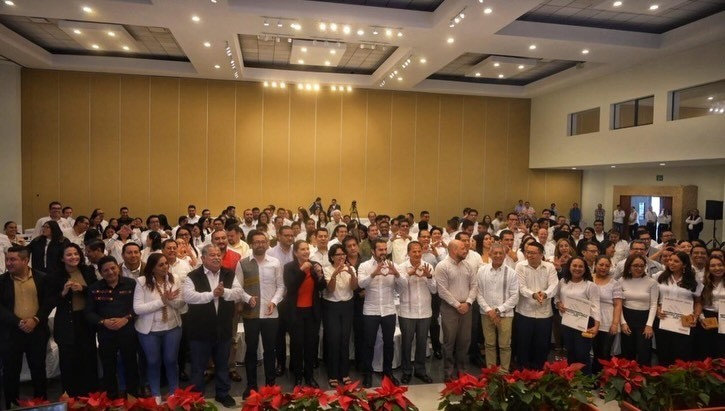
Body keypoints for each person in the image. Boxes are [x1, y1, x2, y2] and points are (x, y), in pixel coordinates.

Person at [181, 244, 243, 408]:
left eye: (218, 255)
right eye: (212, 255)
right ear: (203, 258)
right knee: (198, 368)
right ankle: (196, 398)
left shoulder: (228, 274)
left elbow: (238, 292)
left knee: (222, 365)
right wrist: (212, 295)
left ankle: (223, 394)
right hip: (200, 330)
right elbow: (188, 296)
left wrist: (224, 293)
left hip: (223, 329)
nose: (216, 258)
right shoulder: (193, 275)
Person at [0, 246, 53, 408]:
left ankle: (41, 405)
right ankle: (11, 406)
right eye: (7, 259)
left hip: (37, 332)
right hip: (11, 333)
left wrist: (35, 320)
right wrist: (18, 322)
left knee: (38, 370)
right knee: (10, 372)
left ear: (25, 260)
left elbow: (48, 303)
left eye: (13, 259)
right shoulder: (2, 281)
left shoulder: (42, 278)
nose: (8, 263)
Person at [237, 230, 284, 398]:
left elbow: (281, 286)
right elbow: (237, 287)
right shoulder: (243, 263)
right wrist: (247, 298)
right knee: (251, 350)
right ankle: (251, 386)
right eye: (256, 242)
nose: (260, 244)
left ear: (267, 243)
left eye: (263, 241)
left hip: (271, 313)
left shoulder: (275, 263)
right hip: (251, 314)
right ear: (251, 244)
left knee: (270, 350)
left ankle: (271, 385)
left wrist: (274, 301)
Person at [86, 255, 140, 398]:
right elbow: (89, 312)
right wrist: (103, 322)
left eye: (113, 268)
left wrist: (126, 318)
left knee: (131, 364)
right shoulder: (94, 288)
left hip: (127, 331)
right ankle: (112, 398)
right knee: (108, 366)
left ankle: (132, 396)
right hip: (106, 333)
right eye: (106, 270)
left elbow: (138, 307)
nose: (110, 272)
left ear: (118, 268)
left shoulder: (131, 284)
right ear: (100, 272)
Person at [134, 253, 185, 402]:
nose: (165, 267)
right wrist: (162, 301)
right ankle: (155, 394)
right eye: (161, 265)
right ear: (152, 268)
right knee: (153, 362)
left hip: (172, 327)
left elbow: (182, 303)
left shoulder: (174, 279)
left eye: (166, 263)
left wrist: (171, 300)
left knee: (171, 360)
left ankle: (174, 391)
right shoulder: (142, 282)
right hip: (149, 330)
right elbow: (138, 309)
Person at [49, 243, 98, 397]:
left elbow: (97, 293)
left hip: (85, 320)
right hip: (66, 322)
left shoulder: (88, 270)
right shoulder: (55, 276)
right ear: (62, 258)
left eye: (76, 254)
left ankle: (92, 396)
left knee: (88, 357)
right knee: (69, 360)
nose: (73, 257)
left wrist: (83, 289)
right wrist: (63, 293)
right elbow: (50, 302)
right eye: (69, 255)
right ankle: (71, 396)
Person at [358, 238, 408, 387]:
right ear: (373, 251)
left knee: (389, 343)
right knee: (369, 343)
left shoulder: (393, 265)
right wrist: (374, 273)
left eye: (385, 249)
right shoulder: (364, 266)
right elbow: (360, 284)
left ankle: (388, 372)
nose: (383, 252)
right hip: (370, 310)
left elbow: (403, 287)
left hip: (388, 310)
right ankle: (367, 374)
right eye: (380, 249)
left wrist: (397, 274)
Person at [284, 240, 327, 388]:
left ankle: (309, 376)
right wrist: (302, 271)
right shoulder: (289, 267)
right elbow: (291, 287)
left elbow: (321, 287)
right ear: (295, 252)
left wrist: (320, 275)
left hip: (312, 311)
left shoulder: (315, 265)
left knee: (310, 345)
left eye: (307, 249)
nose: (306, 251)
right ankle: (298, 376)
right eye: (302, 249)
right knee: (297, 345)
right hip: (296, 311)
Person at [435, 239, 477, 381]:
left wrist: (468, 303)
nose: (466, 250)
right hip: (450, 308)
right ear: (454, 250)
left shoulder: (469, 266)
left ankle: (462, 372)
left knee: (464, 341)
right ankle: (448, 373)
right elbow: (442, 291)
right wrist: (457, 305)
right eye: (463, 248)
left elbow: (474, 286)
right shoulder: (442, 266)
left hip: (467, 307)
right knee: (449, 342)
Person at [653, 252, 702, 366]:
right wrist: (657, 310)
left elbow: (698, 301)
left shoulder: (693, 279)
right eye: (670, 260)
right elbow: (653, 298)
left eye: (676, 261)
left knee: (682, 354)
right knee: (664, 352)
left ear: (684, 264)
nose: (671, 263)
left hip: (684, 321)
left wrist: (695, 316)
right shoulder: (659, 276)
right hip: (664, 319)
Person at [515, 241, 558, 370]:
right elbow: (520, 287)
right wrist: (533, 295)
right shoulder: (520, 266)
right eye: (528, 252)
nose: (530, 255)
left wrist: (545, 294)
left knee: (541, 345)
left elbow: (554, 285)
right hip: (524, 312)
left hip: (544, 313)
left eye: (533, 253)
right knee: (523, 344)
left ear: (541, 254)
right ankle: (522, 372)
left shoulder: (549, 267)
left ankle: (539, 371)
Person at [476, 243, 518, 371]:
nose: (498, 255)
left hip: (505, 315)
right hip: (486, 313)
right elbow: (478, 293)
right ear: (490, 254)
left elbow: (515, 296)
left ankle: (504, 372)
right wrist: (489, 310)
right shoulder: (482, 271)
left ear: (505, 256)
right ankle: (491, 372)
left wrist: (498, 310)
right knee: (489, 345)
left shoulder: (511, 273)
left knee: (505, 346)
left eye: (501, 253)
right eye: (495, 253)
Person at [555, 257, 600, 375]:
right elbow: (557, 297)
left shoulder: (590, 285)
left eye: (580, 266)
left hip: (584, 324)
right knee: (570, 352)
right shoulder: (563, 282)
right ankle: (572, 379)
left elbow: (596, 306)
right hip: (567, 322)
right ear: (569, 267)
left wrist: (596, 326)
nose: (577, 269)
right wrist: (558, 304)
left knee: (582, 354)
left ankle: (586, 380)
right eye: (574, 266)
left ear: (585, 269)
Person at [398, 241, 436, 384]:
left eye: (419, 251)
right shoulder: (402, 267)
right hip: (407, 312)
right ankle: (406, 371)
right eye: (414, 251)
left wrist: (429, 277)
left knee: (422, 342)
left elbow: (434, 290)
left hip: (424, 311)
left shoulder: (428, 266)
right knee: (406, 343)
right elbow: (398, 289)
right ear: (408, 253)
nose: (417, 254)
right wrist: (408, 275)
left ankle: (420, 370)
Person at [322, 243, 357, 387]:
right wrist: (335, 274)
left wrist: (352, 274)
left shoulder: (351, 268)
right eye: (338, 254)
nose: (341, 257)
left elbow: (354, 287)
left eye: (343, 254)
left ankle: (344, 373)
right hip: (331, 306)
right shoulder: (327, 269)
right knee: (333, 340)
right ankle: (333, 374)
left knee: (345, 339)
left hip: (347, 305)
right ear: (332, 257)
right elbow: (330, 289)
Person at [618, 254, 658, 366]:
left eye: (642, 265)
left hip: (644, 319)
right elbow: (619, 303)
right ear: (629, 266)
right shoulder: (622, 280)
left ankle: (644, 375)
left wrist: (649, 325)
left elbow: (654, 304)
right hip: (627, 318)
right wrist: (623, 322)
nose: (639, 268)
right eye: (635, 265)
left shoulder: (652, 282)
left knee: (644, 352)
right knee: (627, 352)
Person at [591, 255, 622, 375]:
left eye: (607, 265)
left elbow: (618, 305)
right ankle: (593, 378)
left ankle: (604, 378)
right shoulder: (589, 279)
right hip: (591, 321)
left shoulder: (615, 284)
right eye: (601, 265)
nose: (604, 267)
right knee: (594, 351)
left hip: (607, 322)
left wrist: (615, 324)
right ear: (595, 265)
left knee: (605, 353)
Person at [696, 256, 724, 359]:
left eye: (720, 265)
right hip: (708, 318)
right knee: (707, 352)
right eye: (713, 266)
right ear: (708, 268)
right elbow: (699, 302)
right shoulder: (702, 283)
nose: (717, 268)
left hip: (724, 318)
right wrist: (702, 318)